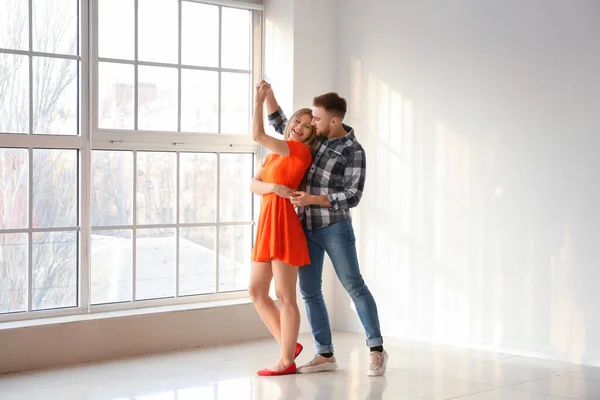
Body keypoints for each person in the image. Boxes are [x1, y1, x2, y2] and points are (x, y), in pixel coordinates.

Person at [263, 82, 389, 376]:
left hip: (334, 228)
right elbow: (283, 123)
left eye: (317, 118)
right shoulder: (314, 138)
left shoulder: (354, 151)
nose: (312, 122)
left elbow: (353, 195)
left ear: (335, 120)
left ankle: (377, 350)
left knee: (354, 286)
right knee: (309, 291)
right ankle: (325, 354)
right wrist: (268, 96)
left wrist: (314, 199)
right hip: (305, 227)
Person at [248, 81, 317, 376]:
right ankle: (287, 344)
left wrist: (258, 102)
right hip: (267, 223)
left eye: (307, 126)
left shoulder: (299, 151)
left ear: (310, 135)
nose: (300, 126)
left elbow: (257, 134)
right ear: (290, 123)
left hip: (284, 225)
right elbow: (253, 185)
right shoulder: (273, 155)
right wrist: (273, 186)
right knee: (256, 290)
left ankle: (286, 360)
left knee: (285, 295)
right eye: (297, 121)